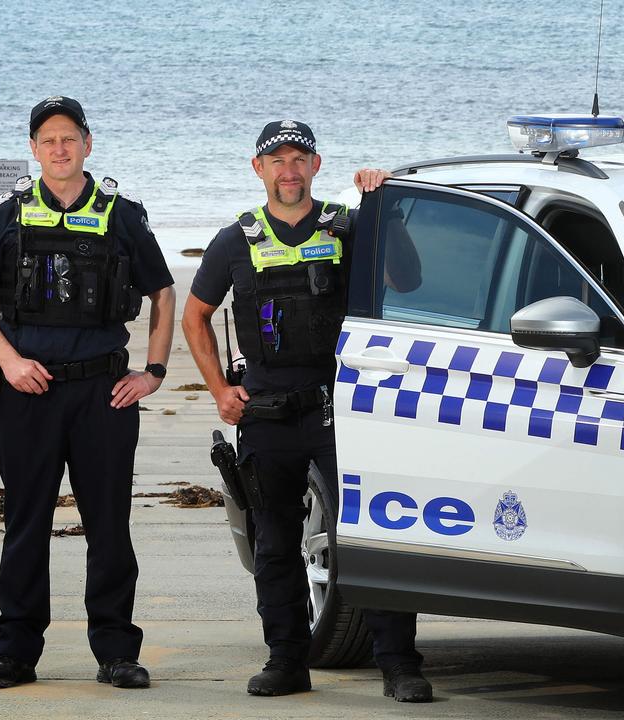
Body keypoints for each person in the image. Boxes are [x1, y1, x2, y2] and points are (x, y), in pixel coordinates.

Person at [180, 120, 427, 698]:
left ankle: (400, 665)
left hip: (341, 409)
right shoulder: (235, 241)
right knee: (274, 543)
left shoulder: (347, 225)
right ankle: (286, 661)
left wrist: (381, 202)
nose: (288, 171)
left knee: (372, 533)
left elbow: (408, 280)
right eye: (277, 161)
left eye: (299, 160)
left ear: (316, 166)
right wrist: (220, 390)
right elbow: (195, 316)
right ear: (258, 169)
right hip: (266, 416)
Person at [0, 96, 176, 689]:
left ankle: (117, 651)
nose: (59, 149)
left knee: (109, 524)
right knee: (26, 523)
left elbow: (163, 293)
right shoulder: (7, 215)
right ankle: (16, 653)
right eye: (47, 140)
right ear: (33, 149)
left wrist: (152, 372)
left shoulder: (122, 213)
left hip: (105, 394)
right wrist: (8, 361)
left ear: (88, 144)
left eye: (69, 138)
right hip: (30, 392)